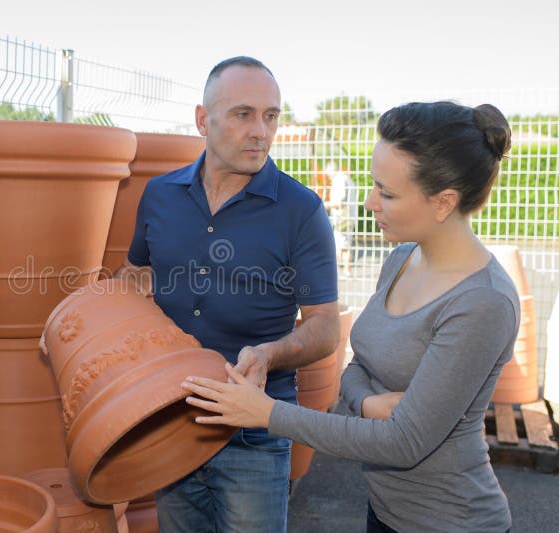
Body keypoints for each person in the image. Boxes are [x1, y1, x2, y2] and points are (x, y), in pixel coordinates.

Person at [182, 101, 517, 532]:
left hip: (451, 520)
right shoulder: (400, 260)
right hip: (385, 512)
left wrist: (265, 413)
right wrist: (371, 402)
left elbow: (402, 444)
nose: (369, 200)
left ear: (443, 202)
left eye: (388, 192)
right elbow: (357, 368)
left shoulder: (483, 303)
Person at [116, 56, 340, 532]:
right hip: (170, 420)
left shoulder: (302, 211)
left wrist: (270, 353)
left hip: (254, 433)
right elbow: (132, 277)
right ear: (203, 119)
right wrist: (81, 330)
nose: (261, 130)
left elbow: (325, 327)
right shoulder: (159, 195)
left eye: (271, 115)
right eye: (243, 114)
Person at [324, 162, 357, 276]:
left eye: (327, 172)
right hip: (348, 217)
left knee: (343, 246)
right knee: (342, 245)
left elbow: (339, 202)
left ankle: (346, 271)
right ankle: (342, 271)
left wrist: (322, 205)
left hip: (343, 218)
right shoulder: (348, 179)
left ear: (332, 170)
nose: (327, 175)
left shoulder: (339, 180)